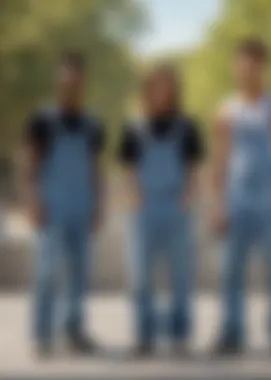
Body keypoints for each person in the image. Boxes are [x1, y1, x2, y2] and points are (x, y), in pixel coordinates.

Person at [211, 37, 271, 357]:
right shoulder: (225, 110)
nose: (247, 69)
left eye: (253, 63)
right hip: (236, 198)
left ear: (263, 66)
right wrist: (218, 205)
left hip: (269, 199)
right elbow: (220, 160)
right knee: (231, 271)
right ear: (235, 66)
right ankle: (231, 333)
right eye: (242, 62)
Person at [24, 51, 105, 357]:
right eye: (66, 75)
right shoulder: (42, 120)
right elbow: (30, 164)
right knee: (46, 272)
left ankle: (74, 330)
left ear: (82, 81)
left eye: (76, 76)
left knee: (80, 273)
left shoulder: (92, 124)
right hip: (52, 205)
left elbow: (95, 168)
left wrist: (98, 206)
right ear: (60, 79)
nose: (71, 82)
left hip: (82, 204)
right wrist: (32, 201)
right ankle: (42, 335)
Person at [119, 64, 203, 357]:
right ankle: (144, 337)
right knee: (140, 277)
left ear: (174, 89)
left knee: (180, 276)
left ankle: (179, 337)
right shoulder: (134, 127)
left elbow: (193, 168)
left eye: (167, 85)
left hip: (176, 207)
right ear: (148, 90)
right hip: (143, 209)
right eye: (156, 85)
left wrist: (187, 198)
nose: (162, 91)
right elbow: (128, 169)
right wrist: (134, 199)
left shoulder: (187, 126)